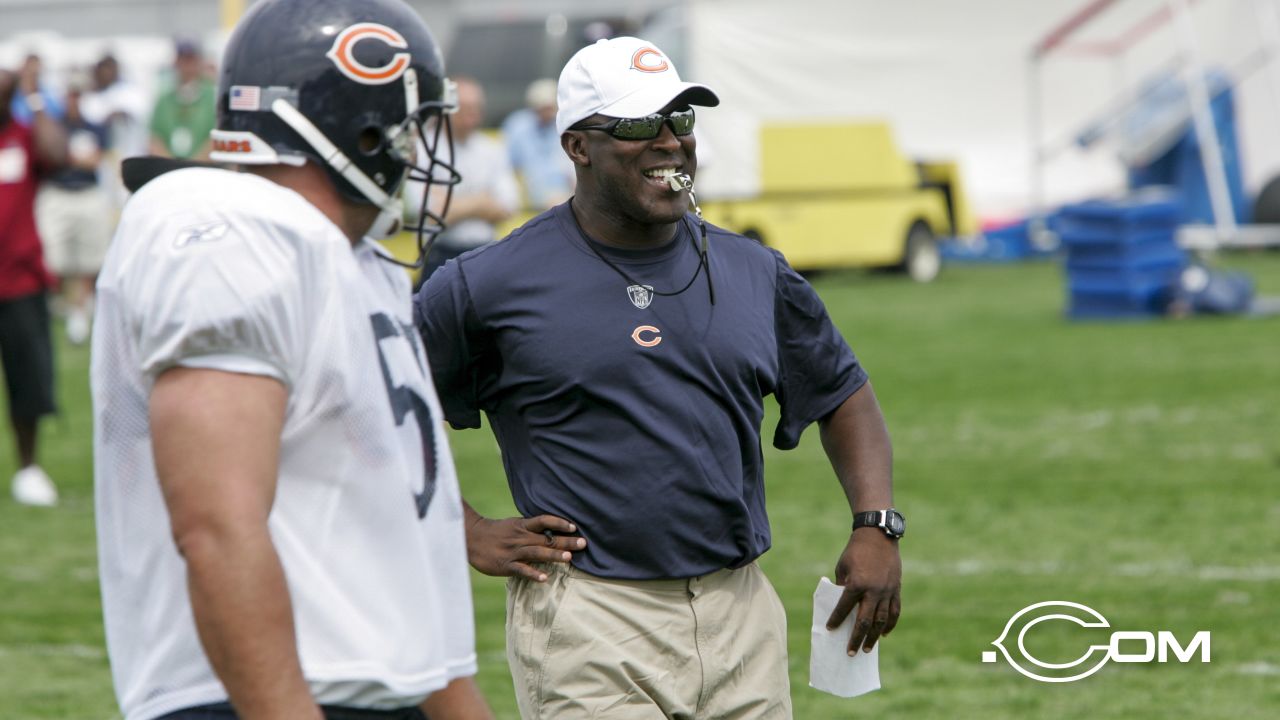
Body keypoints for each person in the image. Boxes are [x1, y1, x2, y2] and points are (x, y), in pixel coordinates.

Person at [416, 36, 903, 719]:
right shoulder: (488, 283)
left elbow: (841, 390)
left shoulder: (753, 271)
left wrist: (876, 525)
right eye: (640, 126)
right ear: (578, 146)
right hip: (589, 615)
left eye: (681, 121)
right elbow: (380, 407)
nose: (670, 143)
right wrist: (457, 527)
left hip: (741, 614)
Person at [91, 1, 490, 718]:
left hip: (371, 688)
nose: (420, 151)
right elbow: (217, 526)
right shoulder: (229, 232)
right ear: (363, 126)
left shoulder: (350, 260)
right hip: (258, 696)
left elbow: (402, 557)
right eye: (411, 125)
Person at [0, 68, 66, 507]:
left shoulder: (23, 134)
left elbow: (57, 153)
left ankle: (28, 467)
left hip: (19, 280)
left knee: (28, 380)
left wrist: (34, 97)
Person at [412, 76, 518, 282]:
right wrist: (482, 201)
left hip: (486, 253)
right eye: (465, 107)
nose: (473, 114)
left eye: (477, 107)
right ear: (447, 108)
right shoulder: (424, 150)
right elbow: (428, 212)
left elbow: (508, 206)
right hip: (439, 256)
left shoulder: (492, 148)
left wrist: (451, 204)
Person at [35, 75, 112, 345]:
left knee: (88, 259)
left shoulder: (94, 127)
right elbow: (53, 157)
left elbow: (95, 159)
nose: (73, 100)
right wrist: (72, 158)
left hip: (86, 193)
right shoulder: (56, 127)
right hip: (60, 192)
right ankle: (65, 304)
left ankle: (78, 312)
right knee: (56, 257)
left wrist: (72, 158)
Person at [500, 78, 574, 211]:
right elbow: (507, 165)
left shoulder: (564, 125)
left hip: (563, 193)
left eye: (551, 107)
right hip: (530, 195)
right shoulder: (518, 126)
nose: (548, 112)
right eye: (543, 107)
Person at [148, 39, 216, 160]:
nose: (187, 65)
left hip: (205, 170)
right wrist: (171, 167)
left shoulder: (213, 96)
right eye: (183, 59)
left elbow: (216, 137)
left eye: (191, 59)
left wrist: (194, 166)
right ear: (176, 61)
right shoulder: (164, 99)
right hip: (169, 170)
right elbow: (154, 138)